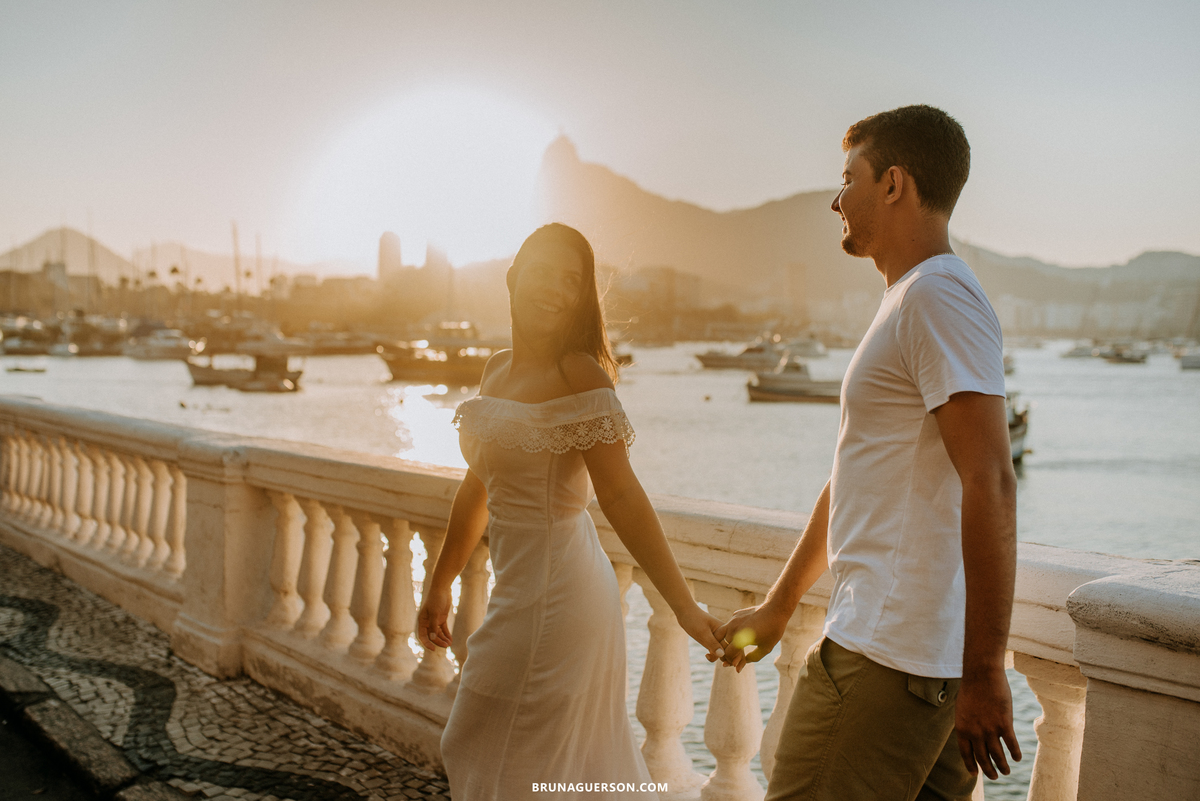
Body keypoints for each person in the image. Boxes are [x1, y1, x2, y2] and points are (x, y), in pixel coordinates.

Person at [716, 105, 1021, 800]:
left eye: (847, 178)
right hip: (915, 658)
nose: (836, 200)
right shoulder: (912, 298)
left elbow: (992, 479)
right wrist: (780, 602)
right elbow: (855, 476)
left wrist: (985, 671)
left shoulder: (935, 296)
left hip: (884, 658)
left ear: (892, 184)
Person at [418, 223, 723, 800]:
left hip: (564, 595)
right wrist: (440, 584)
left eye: (571, 280)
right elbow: (477, 487)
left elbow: (624, 498)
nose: (555, 290)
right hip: (518, 589)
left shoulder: (579, 375)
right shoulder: (496, 370)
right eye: (542, 272)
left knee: (504, 753)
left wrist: (684, 608)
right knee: (501, 751)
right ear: (512, 278)